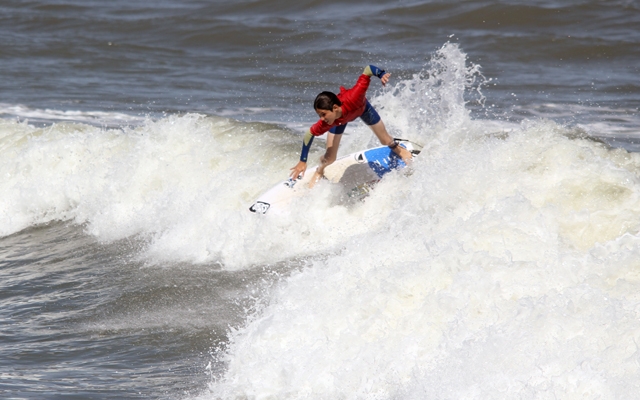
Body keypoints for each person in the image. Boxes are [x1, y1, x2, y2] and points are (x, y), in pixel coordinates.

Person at [289, 65, 412, 186]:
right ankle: (320, 170)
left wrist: (381, 74)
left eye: (323, 114)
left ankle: (397, 148)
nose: (321, 119)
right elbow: (309, 134)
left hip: (363, 109)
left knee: (385, 140)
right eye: (319, 115)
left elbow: (368, 70)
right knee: (330, 158)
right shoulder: (328, 120)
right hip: (339, 121)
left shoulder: (354, 95)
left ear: (335, 108)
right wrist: (302, 161)